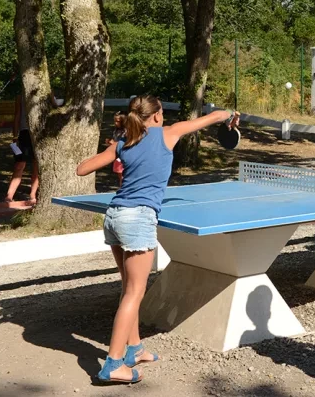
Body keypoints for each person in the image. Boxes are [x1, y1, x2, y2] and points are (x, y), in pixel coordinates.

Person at [75, 95, 238, 384]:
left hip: (113, 216)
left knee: (128, 287)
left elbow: (82, 169)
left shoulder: (125, 142)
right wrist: (228, 114)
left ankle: (134, 349)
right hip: (137, 218)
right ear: (158, 116)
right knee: (135, 292)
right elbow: (208, 119)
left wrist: (118, 148)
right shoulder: (169, 133)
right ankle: (113, 364)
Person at [4, 94, 40, 204]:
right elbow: (17, 116)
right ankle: (9, 195)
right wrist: (15, 136)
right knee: (20, 164)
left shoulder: (44, 92)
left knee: (36, 165)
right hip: (24, 133)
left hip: (39, 132)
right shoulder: (20, 96)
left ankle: (33, 194)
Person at [108, 112, 127, 188]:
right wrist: (110, 142)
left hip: (123, 157)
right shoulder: (116, 131)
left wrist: (114, 143)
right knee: (120, 176)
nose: (116, 123)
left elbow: (125, 144)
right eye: (115, 121)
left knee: (124, 176)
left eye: (118, 121)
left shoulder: (126, 131)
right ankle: (122, 189)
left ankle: (124, 191)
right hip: (117, 157)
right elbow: (115, 141)